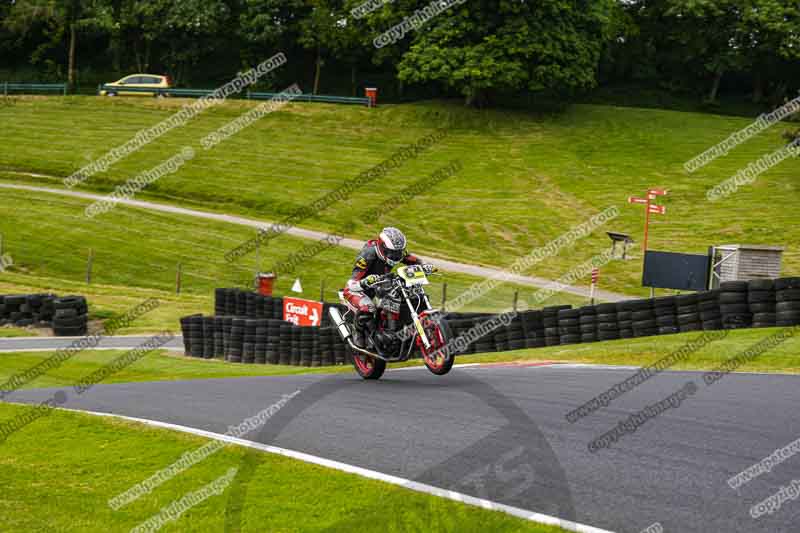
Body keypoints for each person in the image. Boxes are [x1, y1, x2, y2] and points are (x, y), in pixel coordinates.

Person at [344, 227, 435, 348]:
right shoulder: (367, 255)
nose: (396, 256)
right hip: (358, 289)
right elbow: (352, 282)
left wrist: (425, 266)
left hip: (380, 285)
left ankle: (393, 329)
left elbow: (415, 261)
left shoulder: (397, 252)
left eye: (399, 252)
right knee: (369, 307)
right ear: (383, 248)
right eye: (393, 253)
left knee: (399, 296)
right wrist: (365, 281)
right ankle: (358, 331)